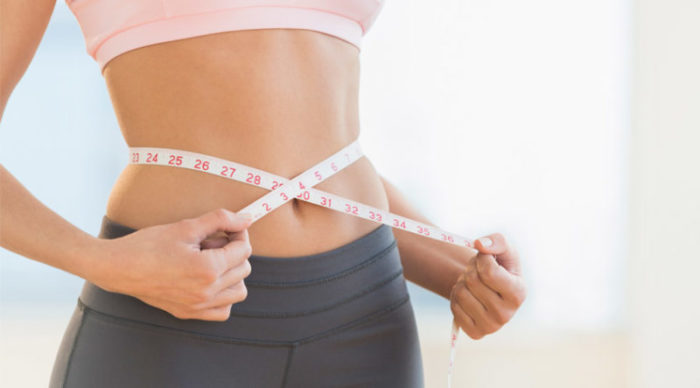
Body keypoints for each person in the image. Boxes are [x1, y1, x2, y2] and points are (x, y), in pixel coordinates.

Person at [0, 0, 527, 386]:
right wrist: (105, 263)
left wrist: (454, 269)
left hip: (366, 315)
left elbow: (306, 160)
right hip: (172, 318)